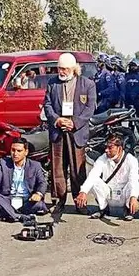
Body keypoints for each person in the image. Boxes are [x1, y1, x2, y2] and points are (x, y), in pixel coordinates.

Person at [43, 53, 96, 215]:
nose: (62, 71)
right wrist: (57, 120)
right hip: (58, 131)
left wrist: (75, 123)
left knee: (77, 168)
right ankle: (58, 200)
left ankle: (79, 201)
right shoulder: (52, 83)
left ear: (73, 69)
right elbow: (47, 104)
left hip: (77, 132)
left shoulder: (87, 84)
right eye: (59, 68)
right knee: (57, 168)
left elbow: (90, 108)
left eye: (65, 69)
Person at [77, 133, 139, 221]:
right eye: (106, 147)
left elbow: (134, 180)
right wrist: (83, 192)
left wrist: (133, 197)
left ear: (119, 148)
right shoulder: (102, 158)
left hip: (124, 195)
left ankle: (128, 210)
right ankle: (103, 208)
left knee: (135, 184)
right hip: (108, 194)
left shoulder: (131, 160)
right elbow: (93, 175)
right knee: (94, 180)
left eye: (110, 148)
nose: (106, 150)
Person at [0, 138, 48, 222]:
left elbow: (42, 182)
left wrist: (38, 194)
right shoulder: (3, 164)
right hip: (8, 199)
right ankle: (19, 217)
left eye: (19, 151)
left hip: (27, 200)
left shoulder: (35, 165)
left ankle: (6, 214)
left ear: (26, 152)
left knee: (38, 204)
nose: (15, 154)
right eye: (13, 150)